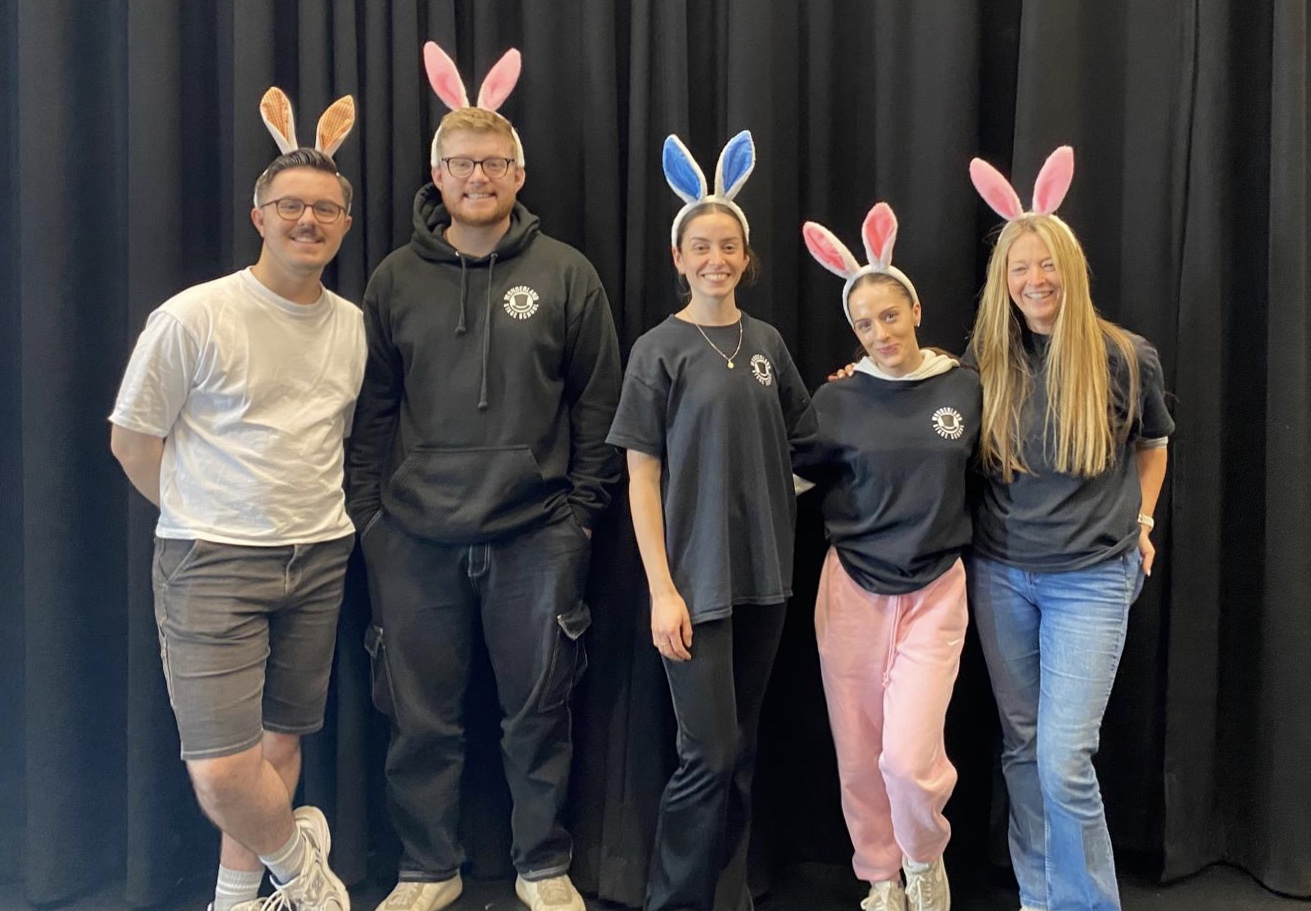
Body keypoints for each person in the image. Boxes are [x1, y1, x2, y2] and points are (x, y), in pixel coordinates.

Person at [344, 42, 620, 911]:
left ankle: (542, 863)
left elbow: (598, 404)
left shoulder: (565, 272)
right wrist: (370, 519)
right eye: (462, 163)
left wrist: (578, 515)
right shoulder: (393, 279)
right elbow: (370, 410)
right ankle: (429, 866)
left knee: (538, 714)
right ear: (437, 174)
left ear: (518, 174)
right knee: (418, 719)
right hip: (410, 536)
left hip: (537, 536)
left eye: (494, 162)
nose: (478, 176)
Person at [109, 88, 363, 911]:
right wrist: (200, 513)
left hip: (318, 554)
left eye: (325, 209)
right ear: (259, 217)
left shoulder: (353, 327)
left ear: (344, 225)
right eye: (290, 206)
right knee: (221, 768)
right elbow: (132, 439)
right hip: (210, 559)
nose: (307, 221)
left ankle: (236, 899)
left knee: (275, 747)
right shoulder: (194, 316)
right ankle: (303, 870)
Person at [606, 131, 817, 911]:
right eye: (700, 246)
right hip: (691, 585)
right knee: (709, 751)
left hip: (764, 578)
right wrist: (662, 589)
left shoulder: (766, 344)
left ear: (745, 256)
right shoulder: (657, 349)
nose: (715, 258)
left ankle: (727, 894)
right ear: (679, 257)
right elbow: (641, 475)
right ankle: (675, 901)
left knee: (741, 748)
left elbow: (808, 439)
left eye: (728, 245)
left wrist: (766, 494)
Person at [964, 147, 1173, 911]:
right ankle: (1039, 895)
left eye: (1046, 264)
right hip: (1000, 575)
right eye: (1019, 268)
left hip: (1090, 579)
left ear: (1070, 270)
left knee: (1062, 758)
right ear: (1003, 280)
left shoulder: (1124, 356)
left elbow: (1153, 446)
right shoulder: (987, 360)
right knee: (1022, 750)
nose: (1034, 280)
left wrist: (1142, 516)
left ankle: (1084, 903)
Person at [795, 203, 981, 911]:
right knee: (858, 749)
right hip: (851, 588)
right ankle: (880, 877)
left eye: (890, 316)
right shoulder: (837, 398)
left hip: (935, 588)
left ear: (915, 310)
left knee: (906, 756)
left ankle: (924, 860)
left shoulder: (964, 387)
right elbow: (787, 475)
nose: (880, 333)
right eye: (865, 324)